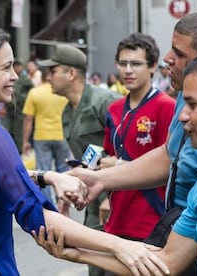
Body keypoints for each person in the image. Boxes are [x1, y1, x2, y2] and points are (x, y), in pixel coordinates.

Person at [0, 25, 168, 276]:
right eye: (6, 68)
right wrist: (120, 246)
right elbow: (37, 215)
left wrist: (49, 177)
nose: (15, 75)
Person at [34, 47, 197, 276]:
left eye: (192, 104)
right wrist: (79, 253)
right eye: (122, 63)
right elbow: (166, 264)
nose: (182, 116)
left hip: (147, 215)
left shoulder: (161, 106)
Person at [37, 43, 120, 276]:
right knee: (96, 263)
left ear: (71, 73)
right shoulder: (67, 111)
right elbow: (88, 157)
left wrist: (112, 195)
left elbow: (127, 151)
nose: (48, 77)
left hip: (117, 196)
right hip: (94, 196)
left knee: (116, 261)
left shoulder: (105, 102)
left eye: (53, 71)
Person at [98, 33, 176, 243]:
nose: (128, 70)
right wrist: (107, 198)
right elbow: (109, 159)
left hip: (151, 219)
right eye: (123, 64)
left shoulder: (167, 107)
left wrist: (120, 164)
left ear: (152, 67)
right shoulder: (113, 109)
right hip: (117, 217)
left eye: (136, 64)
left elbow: (169, 165)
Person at [22, 66, 72, 210]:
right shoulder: (62, 93)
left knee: (43, 174)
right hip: (62, 135)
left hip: (41, 136)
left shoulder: (35, 92)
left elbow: (28, 119)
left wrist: (25, 141)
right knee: (63, 171)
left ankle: (48, 209)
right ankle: (64, 205)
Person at [2, 60, 33, 153]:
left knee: (19, 132)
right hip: (10, 109)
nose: (16, 68)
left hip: (20, 109)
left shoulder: (25, 78)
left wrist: (23, 98)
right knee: (7, 131)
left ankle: (19, 152)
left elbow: (31, 91)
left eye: (18, 66)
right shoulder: (9, 77)